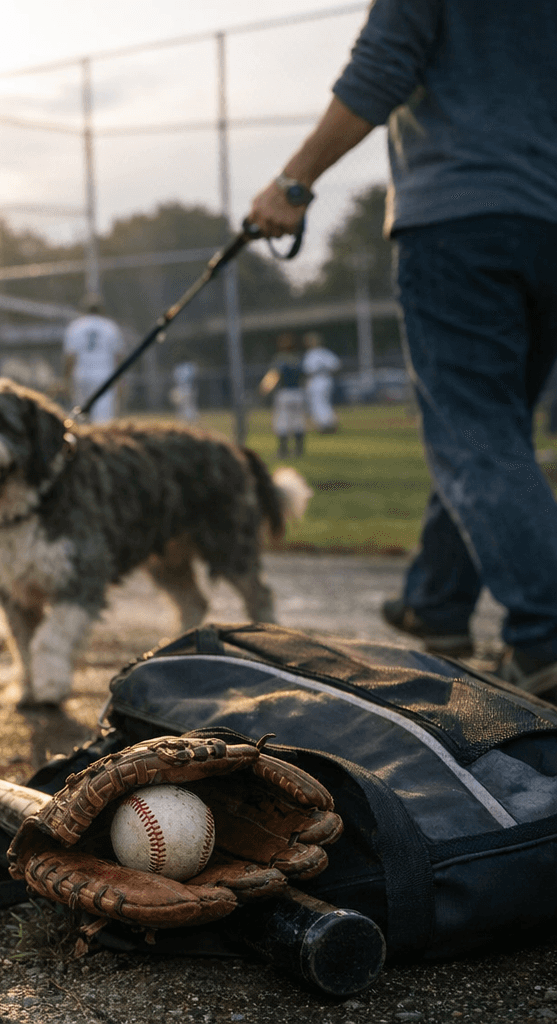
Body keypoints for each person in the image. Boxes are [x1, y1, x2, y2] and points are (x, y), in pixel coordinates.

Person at [247, 0, 557, 694]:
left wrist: (294, 183)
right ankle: (437, 602)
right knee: (493, 431)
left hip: (460, 216)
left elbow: (382, 65)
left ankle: (545, 635)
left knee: (474, 436)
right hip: (548, 222)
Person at [62, 294, 125, 424]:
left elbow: (70, 357)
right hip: (104, 376)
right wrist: (120, 381)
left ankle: (82, 442)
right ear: (102, 310)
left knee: (81, 418)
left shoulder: (76, 327)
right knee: (102, 421)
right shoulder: (110, 327)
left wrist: (66, 380)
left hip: (81, 376)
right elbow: (117, 357)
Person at [259, 333, 307, 459]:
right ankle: (298, 451)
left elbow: (274, 375)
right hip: (298, 392)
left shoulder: (280, 358)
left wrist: (264, 388)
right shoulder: (298, 358)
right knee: (298, 422)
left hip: (285, 393)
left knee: (282, 423)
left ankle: (283, 451)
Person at [301, 331, 342, 433]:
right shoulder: (325, 352)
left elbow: (307, 369)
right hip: (326, 379)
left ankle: (325, 425)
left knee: (318, 403)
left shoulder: (312, 353)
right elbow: (336, 365)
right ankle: (328, 423)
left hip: (317, 379)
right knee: (323, 402)